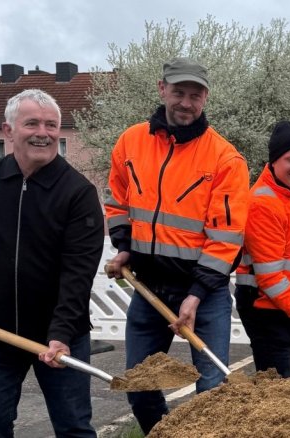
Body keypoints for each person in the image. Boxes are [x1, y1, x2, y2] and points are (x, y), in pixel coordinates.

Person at [0, 89, 105, 436]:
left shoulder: (77, 193)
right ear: (8, 131)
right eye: (31, 123)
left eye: (51, 125)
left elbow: (79, 271)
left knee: (74, 427)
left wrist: (61, 333)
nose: (43, 133)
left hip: (59, 335)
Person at [103, 57, 250, 434]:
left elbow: (227, 237)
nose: (186, 103)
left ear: (206, 99)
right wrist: (125, 247)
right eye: (179, 92)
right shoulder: (130, 143)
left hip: (205, 294)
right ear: (162, 89)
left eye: (195, 95)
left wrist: (197, 294)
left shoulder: (225, 159)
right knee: (141, 390)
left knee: (212, 390)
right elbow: (118, 203)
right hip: (148, 290)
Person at [235, 120, 290, 378]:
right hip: (266, 310)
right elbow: (270, 278)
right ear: (274, 162)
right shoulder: (263, 204)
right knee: (278, 391)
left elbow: (289, 244)